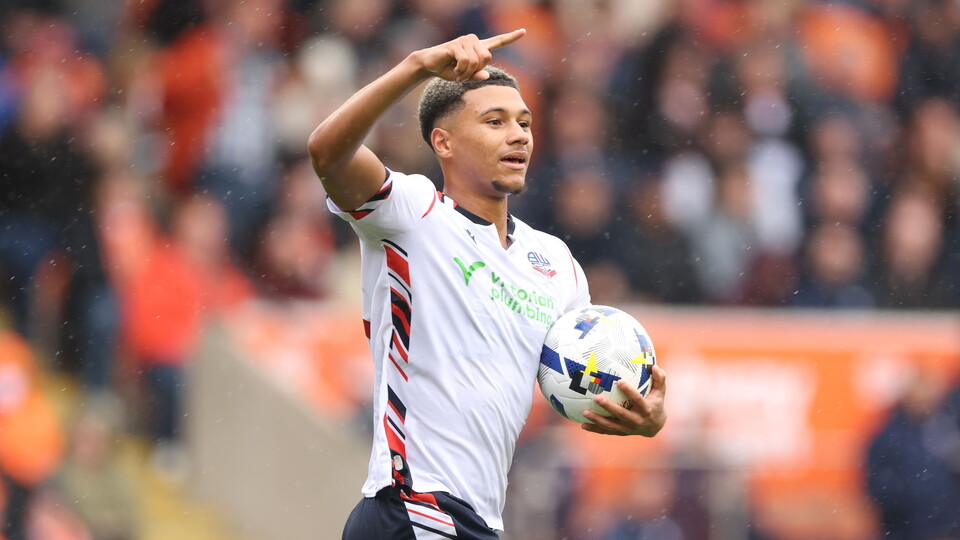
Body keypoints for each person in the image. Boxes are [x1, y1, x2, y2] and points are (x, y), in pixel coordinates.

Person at [307, 30, 668, 539]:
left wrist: (641, 414)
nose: (518, 135)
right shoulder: (413, 213)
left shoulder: (556, 262)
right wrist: (415, 66)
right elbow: (327, 151)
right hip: (413, 507)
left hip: (475, 521)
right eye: (494, 122)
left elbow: (581, 374)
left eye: (524, 122)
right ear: (443, 141)